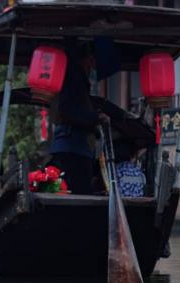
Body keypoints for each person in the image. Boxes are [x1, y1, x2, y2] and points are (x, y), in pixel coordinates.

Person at [48, 39, 109, 195]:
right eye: (92, 61)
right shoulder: (73, 76)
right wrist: (96, 118)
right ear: (88, 59)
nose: (92, 67)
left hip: (75, 148)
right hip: (71, 149)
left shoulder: (77, 78)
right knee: (78, 193)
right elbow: (67, 110)